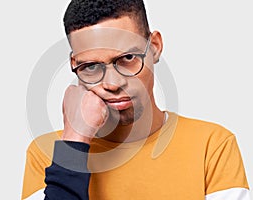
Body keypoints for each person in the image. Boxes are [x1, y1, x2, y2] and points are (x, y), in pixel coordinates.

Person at [22, 0, 250, 199]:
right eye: (90, 66)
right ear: (75, 64)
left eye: (128, 58)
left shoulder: (212, 145)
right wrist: (74, 140)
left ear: (155, 48)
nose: (112, 83)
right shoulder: (48, 154)